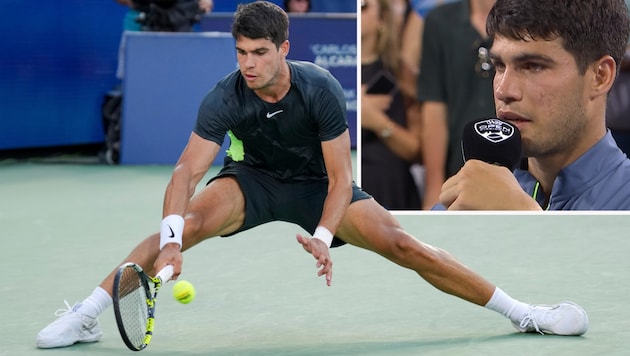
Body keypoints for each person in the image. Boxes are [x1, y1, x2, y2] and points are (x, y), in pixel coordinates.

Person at [36, 1, 587, 349]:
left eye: (259, 52)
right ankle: (88, 314)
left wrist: (324, 237)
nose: (248, 64)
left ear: (284, 49)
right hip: (253, 181)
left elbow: (340, 178)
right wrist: (177, 240)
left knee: (402, 243)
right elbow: (186, 170)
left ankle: (525, 313)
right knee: (176, 227)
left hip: (321, 187)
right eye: (240, 53)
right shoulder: (224, 97)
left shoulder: (319, 87)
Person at [438, 0, 630, 210]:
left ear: (600, 76)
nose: (504, 90)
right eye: (500, 66)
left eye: (533, 67)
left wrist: (524, 218)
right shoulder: (471, 197)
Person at [416, 0, 497, 209]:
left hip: (522, 172)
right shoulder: (440, 22)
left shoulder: (531, 17)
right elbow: (434, 107)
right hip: (457, 172)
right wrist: (434, 187)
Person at [360, 0, 423, 209]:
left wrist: (375, 121)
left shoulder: (400, 74)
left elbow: (416, 149)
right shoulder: (326, 72)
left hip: (393, 189)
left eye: (363, 6)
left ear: (382, 19)